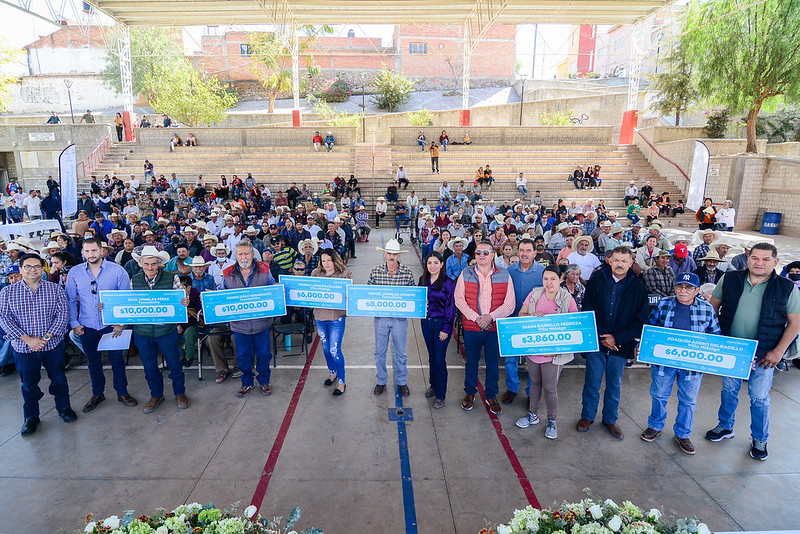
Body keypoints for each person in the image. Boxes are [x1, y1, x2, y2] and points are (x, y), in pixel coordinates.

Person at [706, 243, 800, 460]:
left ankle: (760, 438)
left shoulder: (786, 287)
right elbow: (713, 307)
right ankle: (725, 426)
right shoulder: (729, 279)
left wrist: (778, 352)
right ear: (747, 259)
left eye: (766, 259)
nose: (759, 262)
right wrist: (716, 340)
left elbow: (795, 323)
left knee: (759, 397)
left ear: (776, 262)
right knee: (729, 390)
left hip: (764, 354)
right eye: (755, 258)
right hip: (731, 350)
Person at [640, 272, 721, 454]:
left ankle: (683, 433)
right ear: (674, 288)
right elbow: (651, 328)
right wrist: (644, 347)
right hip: (663, 362)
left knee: (688, 400)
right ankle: (655, 425)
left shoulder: (706, 309)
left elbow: (715, 335)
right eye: (680, 286)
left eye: (688, 287)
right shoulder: (664, 304)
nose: (683, 290)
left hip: (692, 366)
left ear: (697, 290)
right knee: (659, 394)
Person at [578, 246, 649, 440]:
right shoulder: (597, 280)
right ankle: (587, 416)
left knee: (614, 384)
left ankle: (610, 419)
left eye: (624, 261)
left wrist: (617, 338)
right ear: (609, 260)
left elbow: (640, 320)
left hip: (621, 344)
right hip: (598, 341)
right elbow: (588, 309)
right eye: (616, 260)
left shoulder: (639, 287)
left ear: (631, 263)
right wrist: (603, 336)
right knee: (592, 381)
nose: (619, 264)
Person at [0, 253, 73, 436]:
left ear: (43, 269)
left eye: (37, 267)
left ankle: (63, 408)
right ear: (21, 269)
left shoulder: (55, 290)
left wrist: (44, 339)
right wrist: (28, 340)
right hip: (23, 348)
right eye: (28, 267)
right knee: (28, 384)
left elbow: (62, 316)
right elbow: (4, 319)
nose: (32, 270)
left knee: (59, 379)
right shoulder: (7, 293)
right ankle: (31, 417)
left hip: (52, 347)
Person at [65, 238, 137, 413]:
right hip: (87, 325)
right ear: (82, 252)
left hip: (111, 326)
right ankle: (98, 394)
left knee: (117, 361)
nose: (91, 254)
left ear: (102, 251)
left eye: (94, 251)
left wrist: (121, 323)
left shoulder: (117, 271)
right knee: (93, 362)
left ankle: (122, 392)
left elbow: (125, 300)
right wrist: (74, 324)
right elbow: (70, 300)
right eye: (87, 251)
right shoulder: (75, 273)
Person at [514, 265, 577, 439]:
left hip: (554, 354)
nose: (548, 283)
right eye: (546, 279)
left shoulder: (566, 298)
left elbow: (573, 325)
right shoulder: (534, 294)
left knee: (550, 388)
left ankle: (552, 420)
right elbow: (521, 314)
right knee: (534, 383)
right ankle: (532, 414)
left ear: (561, 279)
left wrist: (558, 350)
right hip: (534, 349)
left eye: (553, 279)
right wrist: (531, 316)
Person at [454, 239, 515, 415]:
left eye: (485, 252)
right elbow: (459, 299)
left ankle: (491, 394)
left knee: (493, 363)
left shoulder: (504, 275)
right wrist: (476, 318)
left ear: (493, 255)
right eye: (478, 252)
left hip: (494, 328)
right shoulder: (465, 273)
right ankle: (470, 392)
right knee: (471, 362)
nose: (481, 255)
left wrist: (490, 317)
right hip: (472, 327)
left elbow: (510, 304)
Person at [130, 246, 190, 413]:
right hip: (143, 332)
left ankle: (180, 393)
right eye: (147, 264)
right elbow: (129, 304)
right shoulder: (134, 280)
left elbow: (182, 299)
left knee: (174, 363)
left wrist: (184, 301)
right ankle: (156, 394)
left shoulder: (172, 279)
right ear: (141, 264)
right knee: (149, 366)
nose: (150, 267)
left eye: (153, 264)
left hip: (166, 331)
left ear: (159, 264)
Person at [223, 239, 277, 398]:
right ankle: (246, 383)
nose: (244, 257)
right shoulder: (227, 272)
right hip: (240, 326)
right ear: (236, 255)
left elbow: (273, 287)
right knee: (243, 357)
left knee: (264, 355)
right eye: (240, 254)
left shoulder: (265, 269)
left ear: (253, 254)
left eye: (247, 253)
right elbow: (222, 295)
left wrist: (278, 290)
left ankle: (264, 381)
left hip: (262, 324)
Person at [368, 239, 415, 396]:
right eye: (389, 253)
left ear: (399, 255)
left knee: (401, 352)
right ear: (385, 254)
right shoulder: (375, 272)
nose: (392, 257)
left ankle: (402, 381)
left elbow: (413, 297)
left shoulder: (407, 273)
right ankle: (381, 380)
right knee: (379, 352)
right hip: (381, 319)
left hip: (400, 320)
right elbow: (368, 294)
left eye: (395, 254)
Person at [503, 238, 545, 405]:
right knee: (510, 359)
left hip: (533, 322)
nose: (524, 254)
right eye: (521, 250)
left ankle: (531, 392)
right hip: (512, 320)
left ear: (535, 253)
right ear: (517, 252)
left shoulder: (542, 272)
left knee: (533, 361)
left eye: (528, 250)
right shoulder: (509, 271)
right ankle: (512, 388)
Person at [311, 249, 351, 396]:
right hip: (320, 316)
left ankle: (341, 381)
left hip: (336, 318)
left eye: (329, 260)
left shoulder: (344, 274)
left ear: (335, 260)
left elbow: (351, 295)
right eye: (323, 260)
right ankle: (332, 372)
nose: (326, 263)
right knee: (326, 348)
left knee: (335, 350)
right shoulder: (316, 274)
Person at [419, 251, 455, 408]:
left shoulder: (448, 283)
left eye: (435, 263)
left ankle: (441, 394)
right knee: (431, 356)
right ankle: (433, 385)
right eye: (429, 263)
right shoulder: (423, 280)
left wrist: (446, 329)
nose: (432, 266)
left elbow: (451, 308)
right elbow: (417, 299)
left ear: (441, 264)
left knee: (440, 359)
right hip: (426, 323)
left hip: (441, 324)